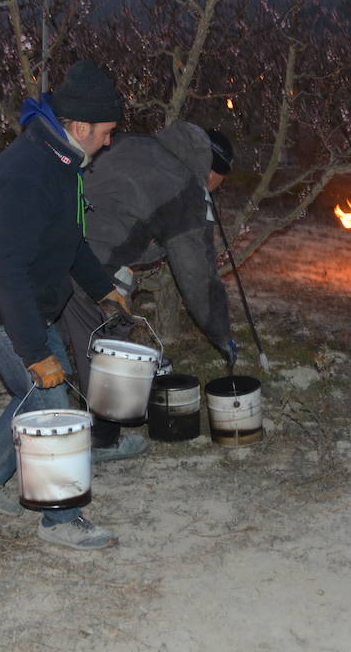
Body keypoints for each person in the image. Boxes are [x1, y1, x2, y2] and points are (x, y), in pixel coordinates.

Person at [0, 60, 131, 551]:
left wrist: (101, 289)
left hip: (27, 300)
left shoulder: (64, 161)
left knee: (39, 391)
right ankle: (62, 520)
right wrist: (33, 350)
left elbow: (70, 241)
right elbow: (5, 270)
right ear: (81, 126)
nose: (110, 142)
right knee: (50, 403)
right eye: (107, 133)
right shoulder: (30, 172)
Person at [58, 122, 237, 458]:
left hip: (51, 239)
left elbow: (120, 208)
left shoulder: (132, 144)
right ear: (211, 172)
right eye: (218, 184)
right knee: (108, 345)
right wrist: (220, 331)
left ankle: (44, 405)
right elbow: (197, 275)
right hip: (87, 264)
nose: (215, 191)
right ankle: (102, 440)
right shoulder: (185, 189)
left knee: (59, 334)